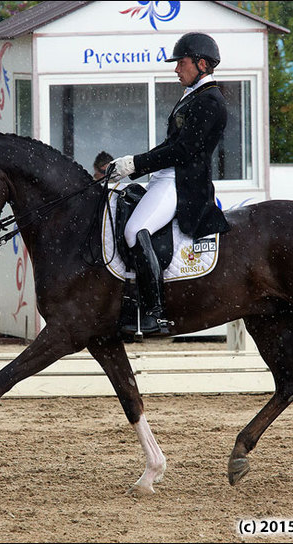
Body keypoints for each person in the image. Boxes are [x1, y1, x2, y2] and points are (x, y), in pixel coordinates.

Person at [108, 32, 230, 336]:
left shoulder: (210, 101)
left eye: (182, 63)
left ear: (201, 64)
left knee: (134, 231)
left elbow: (183, 150)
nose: (176, 69)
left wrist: (134, 163)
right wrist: (136, 164)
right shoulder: (194, 97)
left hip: (183, 182)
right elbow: (171, 145)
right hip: (167, 176)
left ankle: (153, 312)